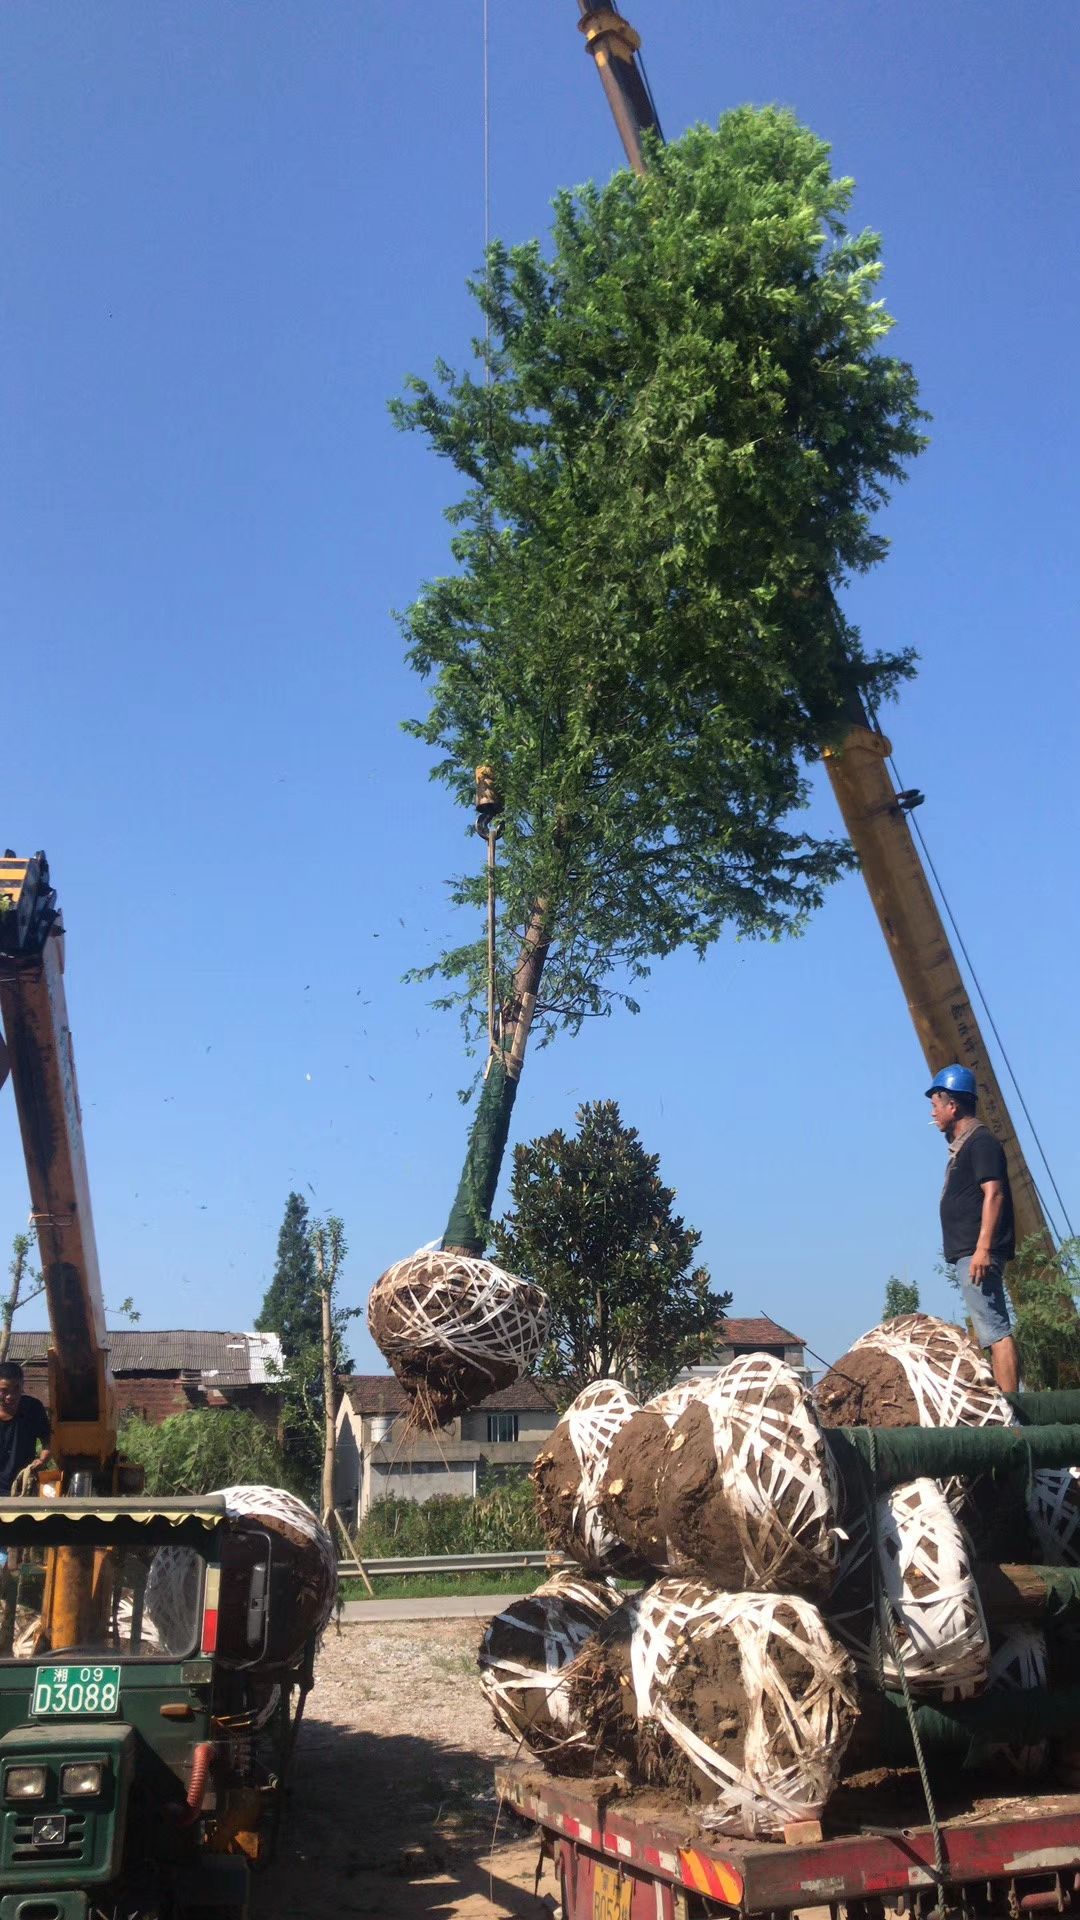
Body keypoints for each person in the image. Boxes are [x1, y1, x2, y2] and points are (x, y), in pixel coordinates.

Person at [926, 1065, 1020, 1393]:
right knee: (987, 1331)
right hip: (969, 1253)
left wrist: (982, 1249)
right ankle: (998, 1401)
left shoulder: (980, 1143)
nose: (932, 1112)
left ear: (953, 1106)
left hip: (978, 1252)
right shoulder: (965, 1147)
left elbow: (994, 1195)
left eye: (936, 1104)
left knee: (995, 1331)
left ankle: (1011, 1411)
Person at [0, 1362, 51, 1497]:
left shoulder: (32, 1408)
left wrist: (42, 1459)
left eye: (16, 1389)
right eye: (4, 1390)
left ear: (22, 1386)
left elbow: (47, 1441)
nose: (10, 1396)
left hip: (22, 1488)